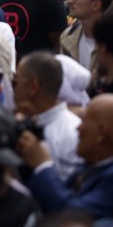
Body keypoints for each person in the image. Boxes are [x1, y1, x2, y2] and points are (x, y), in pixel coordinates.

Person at [20, 93, 113, 222]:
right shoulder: (95, 163)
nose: (78, 129)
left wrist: (43, 166)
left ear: (101, 133)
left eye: (84, 121)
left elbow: (73, 216)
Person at [12, 51, 83, 180]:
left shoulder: (72, 133)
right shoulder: (23, 121)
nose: (13, 89)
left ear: (33, 87)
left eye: (16, 81)